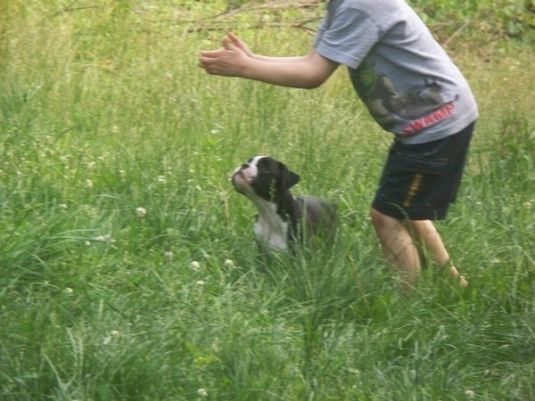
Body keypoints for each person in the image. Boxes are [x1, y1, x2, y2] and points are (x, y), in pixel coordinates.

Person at [199, 0, 478, 291]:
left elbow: (312, 75)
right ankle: (453, 283)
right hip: (429, 121)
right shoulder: (343, 5)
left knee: (387, 216)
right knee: (402, 207)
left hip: (436, 123)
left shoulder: (361, 5)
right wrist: (253, 59)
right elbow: (310, 61)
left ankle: (407, 302)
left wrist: (246, 68)